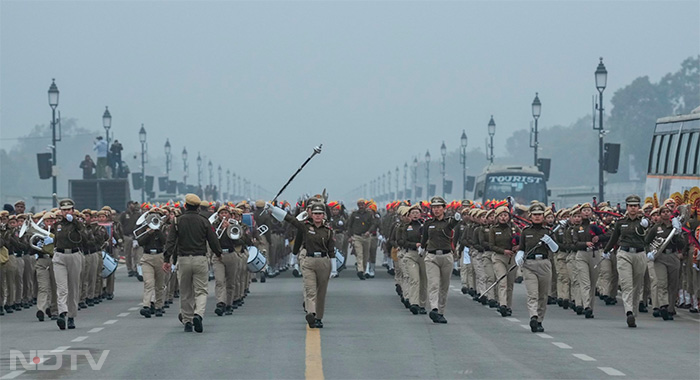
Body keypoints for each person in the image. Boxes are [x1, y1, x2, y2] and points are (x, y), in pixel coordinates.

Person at [268, 202, 334, 328]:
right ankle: (311, 314)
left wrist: (334, 268)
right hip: (309, 260)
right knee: (310, 290)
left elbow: (331, 250)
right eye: (315, 214)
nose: (317, 216)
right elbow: (291, 219)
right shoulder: (305, 226)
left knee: (321, 292)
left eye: (320, 214)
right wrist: (274, 209)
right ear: (311, 215)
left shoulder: (328, 230)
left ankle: (319, 317)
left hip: (324, 261)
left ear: (324, 215)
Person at [164, 193, 222, 333]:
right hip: (200, 258)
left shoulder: (178, 221)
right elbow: (213, 240)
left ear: (185, 206)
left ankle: (187, 321)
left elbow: (170, 241)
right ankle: (198, 314)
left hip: (183, 259)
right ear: (198, 207)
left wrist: (167, 259)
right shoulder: (204, 221)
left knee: (185, 291)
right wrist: (219, 253)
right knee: (201, 290)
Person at [603, 195, 648, 328]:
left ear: (638, 207)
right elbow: (614, 238)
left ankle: (633, 313)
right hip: (624, 254)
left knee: (637, 285)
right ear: (627, 207)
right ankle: (628, 311)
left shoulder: (645, 222)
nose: (633, 208)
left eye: (635, 206)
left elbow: (649, 237)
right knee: (627, 284)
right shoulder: (620, 222)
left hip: (639, 253)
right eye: (630, 206)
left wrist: (647, 226)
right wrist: (606, 250)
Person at [515, 203, 560, 333]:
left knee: (543, 295)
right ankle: (533, 316)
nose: (537, 217)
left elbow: (556, 249)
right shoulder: (526, 231)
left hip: (544, 263)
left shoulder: (548, 232)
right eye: (534, 215)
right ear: (530, 216)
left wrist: (550, 241)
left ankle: (539, 320)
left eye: (539, 215)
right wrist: (519, 255)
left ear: (543, 216)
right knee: (532, 293)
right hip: (529, 264)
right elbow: (522, 247)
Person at [421, 196, 460, 324]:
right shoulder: (428, 223)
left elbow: (455, 222)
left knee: (444, 286)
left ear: (444, 208)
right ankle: (434, 308)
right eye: (434, 207)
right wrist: (422, 248)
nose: (436, 210)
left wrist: (458, 214)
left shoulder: (448, 222)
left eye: (438, 207)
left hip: (446, 256)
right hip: (431, 256)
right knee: (433, 284)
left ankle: (441, 312)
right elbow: (424, 238)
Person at [51, 199, 88, 330]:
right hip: (60, 256)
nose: (66, 212)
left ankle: (71, 316)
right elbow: (54, 239)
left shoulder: (78, 224)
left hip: (74, 255)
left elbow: (85, 234)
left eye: (69, 209)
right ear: (60, 211)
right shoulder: (57, 225)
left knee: (73, 287)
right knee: (62, 288)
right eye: (64, 210)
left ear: (73, 210)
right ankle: (62, 313)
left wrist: (75, 221)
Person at [645, 205, 685, 320]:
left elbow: (681, 245)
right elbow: (646, 241)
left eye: (668, 212)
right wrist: (649, 252)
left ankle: (671, 308)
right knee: (661, 283)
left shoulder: (675, 227)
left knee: (673, 284)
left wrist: (677, 234)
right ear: (660, 214)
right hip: (660, 257)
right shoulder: (656, 228)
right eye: (663, 212)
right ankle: (663, 306)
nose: (666, 214)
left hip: (673, 256)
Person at [489, 206, 520, 317]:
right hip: (499, 257)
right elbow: (491, 245)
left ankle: (508, 305)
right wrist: (503, 251)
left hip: (511, 258)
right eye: (501, 215)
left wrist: (518, 246)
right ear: (497, 217)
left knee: (510, 283)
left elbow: (521, 240)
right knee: (502, 281)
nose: (503, 218)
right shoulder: (494, 229)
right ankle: (502, 304)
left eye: (505, 215)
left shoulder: (514, 228)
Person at [136, 208, 167, 318]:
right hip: (147, 257)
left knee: (159, 284)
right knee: (148, 283)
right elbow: (140, 242)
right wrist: (148, 233)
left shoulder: (162, 228)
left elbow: (165, 241)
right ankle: (146, 306)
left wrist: (158, 230)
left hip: (159, 256)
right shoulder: (144, 229)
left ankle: (159, 306)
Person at [346, 199, 376, 280]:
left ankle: (364, 270)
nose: (361, 206)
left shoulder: (369, 214)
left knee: (366, 255)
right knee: (359, 254)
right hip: (357, 237)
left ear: (365, 205)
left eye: (362, 204)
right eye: (359, 205)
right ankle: (360, 270)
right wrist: (350, 236)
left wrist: (369, 231)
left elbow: (373, 224)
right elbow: (349, 225)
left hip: (366, 237)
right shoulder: (354, 214)